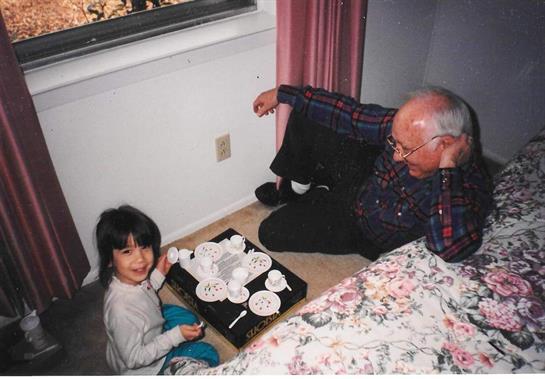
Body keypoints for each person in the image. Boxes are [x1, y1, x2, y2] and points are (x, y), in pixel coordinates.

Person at [252, 85, 493, 262]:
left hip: (360, 227)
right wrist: (282, 94)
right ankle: (296, 190)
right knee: (310, 112)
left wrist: (447, 167)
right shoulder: (410, 131)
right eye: (395, 143)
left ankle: (319, 191)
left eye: (406, 149)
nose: (397, 155)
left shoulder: (469, 185)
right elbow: (350, 113)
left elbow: (450, 247)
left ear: (444, 145)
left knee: (270, 233)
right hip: (364, 176)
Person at [96, 205, 219, 375]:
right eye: (127, 251)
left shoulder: (127, 279)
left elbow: (146, 289)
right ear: (109, 260)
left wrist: (159, 273)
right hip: (145, 366)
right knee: (207, 352)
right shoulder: (121, 311)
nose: (140, 258)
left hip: (148, 327)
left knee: (188, 318)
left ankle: (172, 336)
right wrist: (174, 337)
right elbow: (134, 359)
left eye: (144, 247)